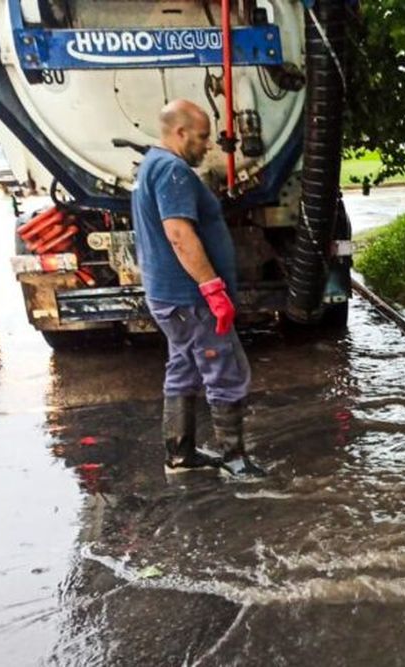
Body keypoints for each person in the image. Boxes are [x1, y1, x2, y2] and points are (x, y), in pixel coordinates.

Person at [131, 99, 265, 478]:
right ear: (180, 132)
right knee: (225, 369)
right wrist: (212, 288)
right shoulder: (173, 170)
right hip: (189, 298)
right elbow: (179, 233)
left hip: (168, 296)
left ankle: (180, 455)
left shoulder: (150, 167)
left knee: (183, 367)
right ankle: (234, 460)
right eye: (203, 137)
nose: (208, 145)